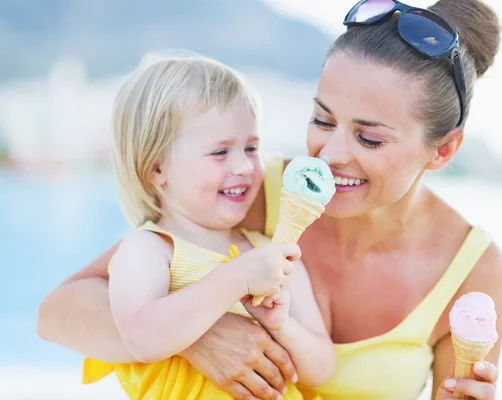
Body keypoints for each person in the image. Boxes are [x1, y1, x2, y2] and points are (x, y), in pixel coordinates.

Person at [37, 1, 502, 399]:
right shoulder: (250, 190)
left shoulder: (475, 269)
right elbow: (58, 313)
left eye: (369, 139)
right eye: (323, 121)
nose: (329, 155)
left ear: (443, 149)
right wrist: (197, 335)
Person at [78, 55, 334, 399]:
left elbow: (321, 370)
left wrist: (283, 326)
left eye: (251, 147)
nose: (244, 166)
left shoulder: (272, 255)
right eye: (220, 152)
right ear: (157, 169)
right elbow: (141, 339)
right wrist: (232, 279)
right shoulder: (149, 250)